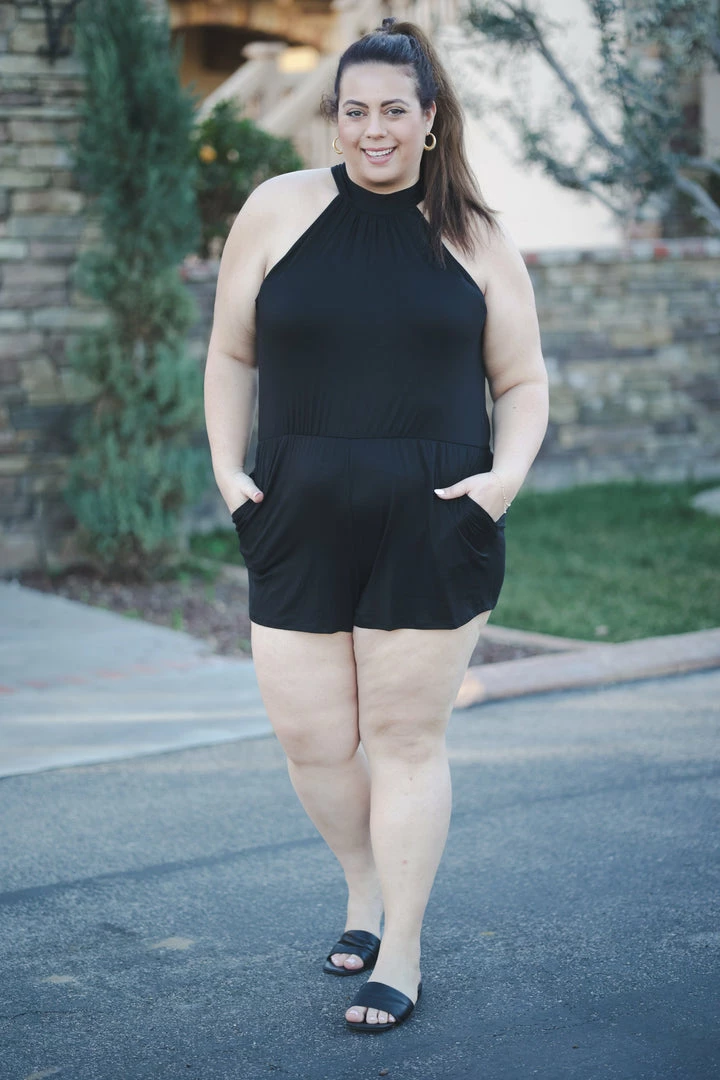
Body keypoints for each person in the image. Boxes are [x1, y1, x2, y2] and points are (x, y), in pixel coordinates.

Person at [204, 16, 548, 1034]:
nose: (373, 130)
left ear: (431, 119)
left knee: (403, 741)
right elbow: (231, 352)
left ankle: (401, 949)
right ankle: (364, 887)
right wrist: (228, 470)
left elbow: (523, 381)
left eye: (394, 110)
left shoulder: (477, 236)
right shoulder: (276, 210)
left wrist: (500, 484)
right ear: (335, 118)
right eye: (354, 111)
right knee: (313, 739)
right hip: (296, 514)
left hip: (432, 523)